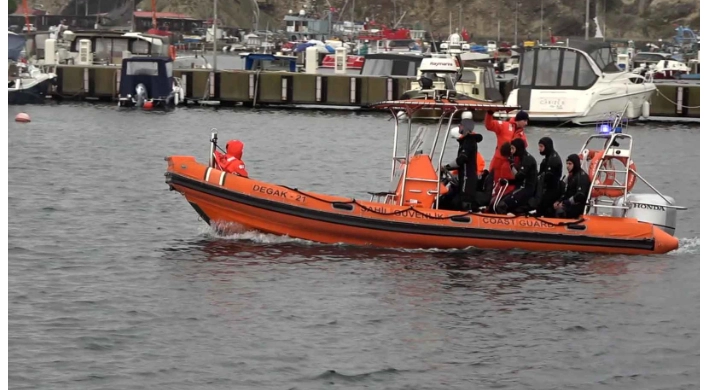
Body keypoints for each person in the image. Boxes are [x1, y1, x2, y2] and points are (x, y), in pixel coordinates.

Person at [440, 111, 484, 210]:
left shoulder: (469, 141)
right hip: (464, 176)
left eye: (460, 126)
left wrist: (446, 167)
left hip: (467, 178)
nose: (459, 127)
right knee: (452, 199)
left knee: (463, 201)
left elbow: (461, 160)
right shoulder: (465, 141)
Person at [496, 138, 537, 214]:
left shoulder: (527, 159)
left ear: (518, 148)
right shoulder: (521, 159)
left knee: (502, 205)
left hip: (526, 189)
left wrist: (511, 165)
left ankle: (505, 222)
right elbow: (518, 179)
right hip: (520, 187)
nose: (511, 151)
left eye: (512, 148)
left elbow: (519, 176)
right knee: (499, 201)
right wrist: (508, 181)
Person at [484, 109, 529, 179]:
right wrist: (490, 113)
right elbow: (489, 125)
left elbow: (524, 149)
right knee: (492, 181)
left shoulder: (522, 134)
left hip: (511, 164)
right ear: (519, 120)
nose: (526, 123)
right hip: (498, 161)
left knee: (508, 184)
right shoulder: (504, 125)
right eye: (525, 121)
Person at [555, 154, 591, 219]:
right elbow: (567, 193)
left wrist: (564, 203)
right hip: (570, 204)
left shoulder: (582, 177)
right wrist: (559, 201)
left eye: (570, 164)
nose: (567, 166)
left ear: (575, 164)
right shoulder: (571, 176)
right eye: (567, 164)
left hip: (579, 206)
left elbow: (580, 195)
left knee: (560, 212)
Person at [535, 137, 563, 217]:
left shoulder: (553, 159)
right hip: (547, 188)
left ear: (547, 146)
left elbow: (548, 177)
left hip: (552, 189)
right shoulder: (547, 159)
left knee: (541, 206)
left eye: (541, 146)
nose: (539, 149)